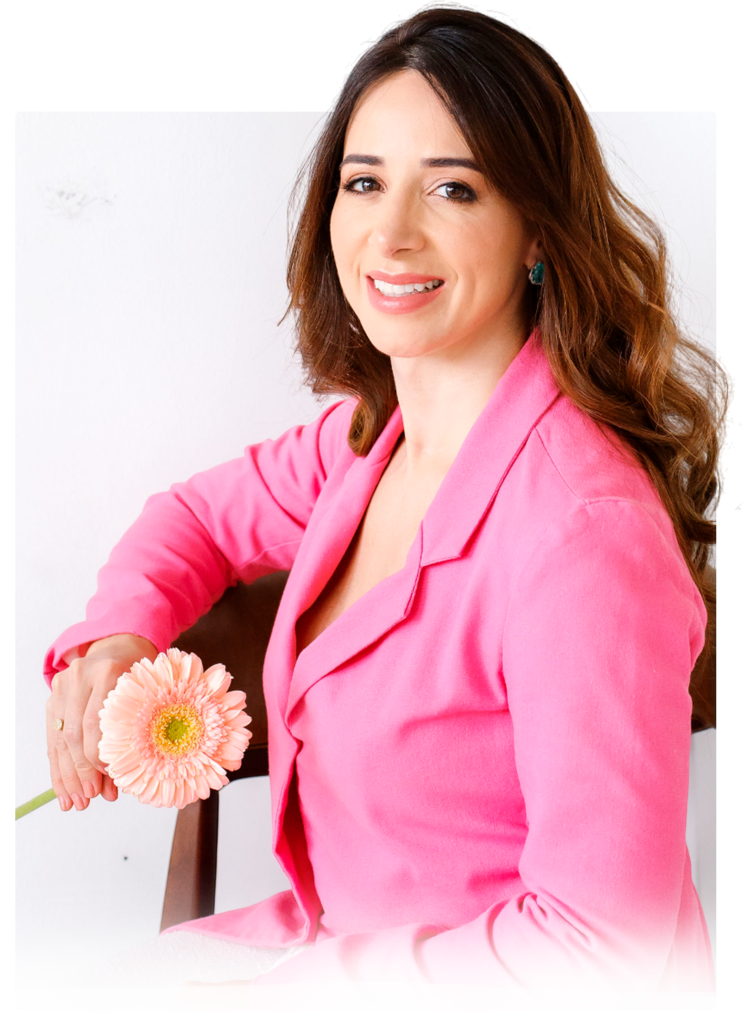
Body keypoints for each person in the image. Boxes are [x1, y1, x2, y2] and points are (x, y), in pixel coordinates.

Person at [28, 2, 716, 1012]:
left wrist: (268, 1003)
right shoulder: (367, 444)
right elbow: (194, 519)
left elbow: (590, 950)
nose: (390, 234)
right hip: (334, 954)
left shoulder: (582, 535)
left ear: (537, 229)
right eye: (364, 182)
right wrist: (117, 638)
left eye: (452, 187)